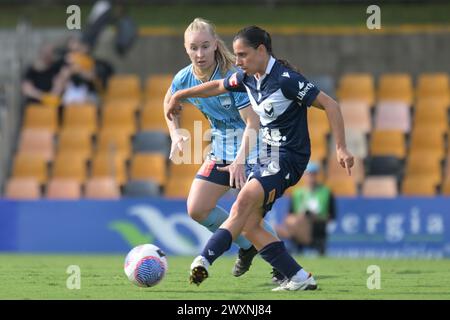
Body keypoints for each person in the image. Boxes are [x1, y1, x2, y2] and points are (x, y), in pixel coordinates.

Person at [166, 25, 354, 291]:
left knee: (241, 206)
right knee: (251, 226)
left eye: (242, 55)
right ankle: (299, 277)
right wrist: (180, 94)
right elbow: (218, 86)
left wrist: (342, 147)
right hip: (268, 154)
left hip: (288, 157)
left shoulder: (286, 79)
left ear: (262, 51)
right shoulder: (247, 78)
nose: (238, 61)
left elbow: (331, 105)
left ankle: (204, 261)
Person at [163, 18, 278, 279]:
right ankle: (247, 248)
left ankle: (282, 267)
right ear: (185, 48)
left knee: (249, 220)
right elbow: (168, 101)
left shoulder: (231, 77)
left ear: (215, 45)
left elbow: (253, 122)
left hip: (256, 149)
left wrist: (239, 161)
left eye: (205, 46)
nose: (199, 54)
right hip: (222, 150)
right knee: (197, 208)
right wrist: (175, 134)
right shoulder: (184, 77)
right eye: (193, 48)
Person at [276, 162, 335, 256]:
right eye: (308, 175)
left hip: (317, 227)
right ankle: (291, 234)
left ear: (317, 175)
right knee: (291, 221)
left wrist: (313, 217)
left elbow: (331, 216)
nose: (311, 178)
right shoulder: (297, 193)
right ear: (304, 176)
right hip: (298, 225)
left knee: (302, 219)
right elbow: (289, 215)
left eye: (313, 174)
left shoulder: (326, 192)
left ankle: (289, 236)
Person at [21, 43, 68, 107]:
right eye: (45, 52)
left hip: (52, 106)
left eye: (50, 52)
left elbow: (59, 86)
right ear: (41, 53)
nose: (47, 55)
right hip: (34, 106)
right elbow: (26, 89)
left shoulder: (56, 68)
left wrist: (50, 98)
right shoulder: (31, 70)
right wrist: (43, 97)